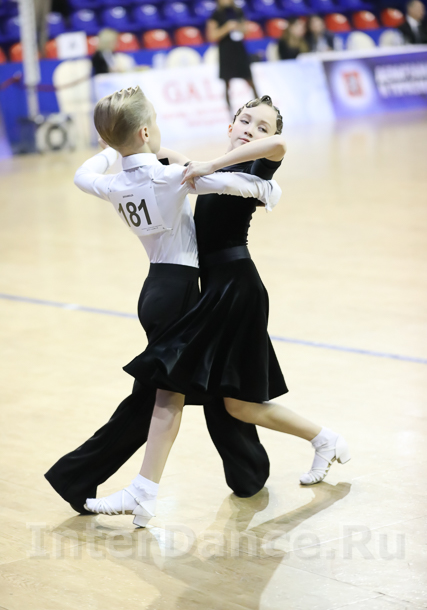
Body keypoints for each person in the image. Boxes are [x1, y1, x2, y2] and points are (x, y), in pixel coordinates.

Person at [85, 95, 351, 522]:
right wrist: (123, 143)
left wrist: (213, 164)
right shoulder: (210, 169)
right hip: (217, 290)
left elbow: (279, 146)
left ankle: (144, 490)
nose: (252, 129)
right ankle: (325, 438)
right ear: (230, 126)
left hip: (237, 289)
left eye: (262, 126)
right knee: (238, 405)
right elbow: (159, 156)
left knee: (176, 383)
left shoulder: (258, 167)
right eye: (245, 120)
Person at [45, 86, 283, 525]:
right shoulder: (169, 178)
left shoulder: (113, 182)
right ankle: (99, 481)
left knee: (206, 385)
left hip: (155, 289)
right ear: (144, 130)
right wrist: (267, 190)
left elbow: (83, 174)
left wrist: (111, 147)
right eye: (153, 120)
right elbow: (232, 184)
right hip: (180, 293)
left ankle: (247, 471)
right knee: (158, 399)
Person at [207, 0, 259, 112]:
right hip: (226, 51)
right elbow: (212, 36)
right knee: (227, 84)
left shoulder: (238, 11)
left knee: (250, 81)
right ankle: (230, 114)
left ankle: (260, 109)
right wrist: (227, 28)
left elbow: (246, 29)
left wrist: (239, 27)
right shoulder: (216, 14)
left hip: (239, 48)